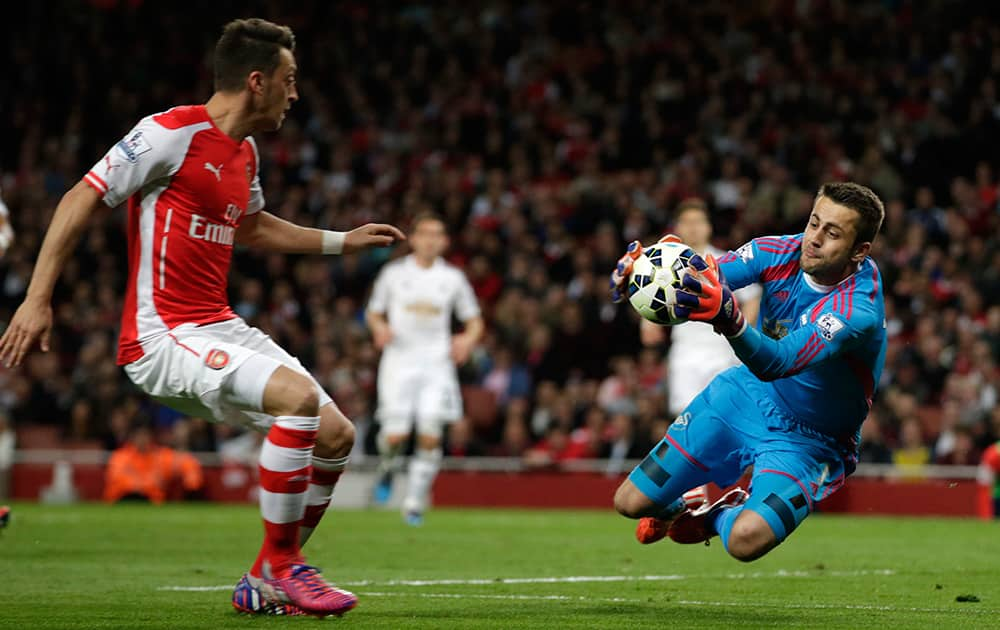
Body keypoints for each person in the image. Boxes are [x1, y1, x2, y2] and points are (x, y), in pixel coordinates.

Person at [0, 18, 404, 617]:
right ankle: (287, 565)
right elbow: (80, 196)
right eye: (289, 82)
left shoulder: (245, 151)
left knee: (336, 434)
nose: (296, 95)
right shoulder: (167, 134)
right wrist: (37, 298)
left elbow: (253, 227)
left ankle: (264, 579)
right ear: (257, 81)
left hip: (217, 326)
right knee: (295, 401)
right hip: (162, 335)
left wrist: (339, 242)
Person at [610, 182, 886, 562]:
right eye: (814, 223)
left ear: (860, 250)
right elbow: (706, 279)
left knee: (745, 541)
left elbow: (778, 361)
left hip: (811, 441)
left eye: (832, 233)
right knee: (629, 502)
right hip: (743, 396)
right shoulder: (776, 250)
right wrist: (652, 273)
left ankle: (717, 516)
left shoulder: (857, 310)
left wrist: (731, 320)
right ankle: (673, 508)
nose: (815, 239)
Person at [638, 198, 760, 507]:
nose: (693, 227)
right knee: (686, 423)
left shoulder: (723, 261)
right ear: (677, 228)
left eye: (698, 221)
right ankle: (691, 495)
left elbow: (753, 298)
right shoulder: (664, 262)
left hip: (722, 352)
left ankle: (745, 489)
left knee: (728, 423)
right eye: (686, 222)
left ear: (708, 226)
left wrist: (743, 335)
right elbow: (647, 294)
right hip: (686, 354)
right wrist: (646, 322)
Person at [366, 213, 483, 525]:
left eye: (437, 234)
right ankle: (387, 469)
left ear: (444, 242)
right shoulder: (393, 274)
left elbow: (474, 321)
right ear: (414, 238)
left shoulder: (453, 278)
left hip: (436, 364)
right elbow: (374, 312)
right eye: (425, 233)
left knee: (430, 433)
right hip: (399, 361)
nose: (430, 240)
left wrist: (467, 340)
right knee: (395, 436)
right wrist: (379, 328)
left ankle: (414, 503)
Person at [103, 421, 204, 504]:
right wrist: (143, 485)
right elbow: (116, 479)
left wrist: (192, 482)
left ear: (151, 437)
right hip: (122, 500)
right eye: (138, 435)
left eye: (145, 434)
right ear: (132, 437)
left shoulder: (161, 456)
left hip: (150, 501)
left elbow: (187, 462)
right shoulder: (120, 456)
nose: (142, 439)